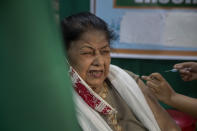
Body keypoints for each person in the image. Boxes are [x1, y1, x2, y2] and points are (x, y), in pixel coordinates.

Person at [61, 12, 180, 131]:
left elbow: (169, 128)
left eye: (105, 51)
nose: (99, 62)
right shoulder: (59, 100)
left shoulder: (129, 81)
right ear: (64, 54)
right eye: (87, 53)